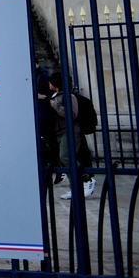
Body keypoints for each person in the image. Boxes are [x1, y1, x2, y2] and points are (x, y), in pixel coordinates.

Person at [47, 71, 95, 200]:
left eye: (50, 81)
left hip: (71, 131)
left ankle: (86, 179)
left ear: (55, 83)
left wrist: (55, 105)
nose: (48, 83)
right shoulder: (55, 95)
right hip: (60, 131)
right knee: (64, 159)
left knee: (66, 157)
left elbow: (71, 114)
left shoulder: (69, 96)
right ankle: (75, 188)